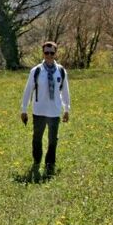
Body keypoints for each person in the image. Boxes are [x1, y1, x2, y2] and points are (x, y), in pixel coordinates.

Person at [20, 42, 70, 179]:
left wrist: (67, 109)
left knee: (53, 140)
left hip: (54, 111)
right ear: (43, 53)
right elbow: (28, 90)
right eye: (46, 53)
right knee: (37, 138)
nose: (49, 55)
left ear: (55, 53)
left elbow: (65, 91)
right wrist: (24, 109)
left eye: (52, 53)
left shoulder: (61, 71)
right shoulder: (36, 71)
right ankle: (37, 160)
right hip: (39, 111)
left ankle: (50, 163)